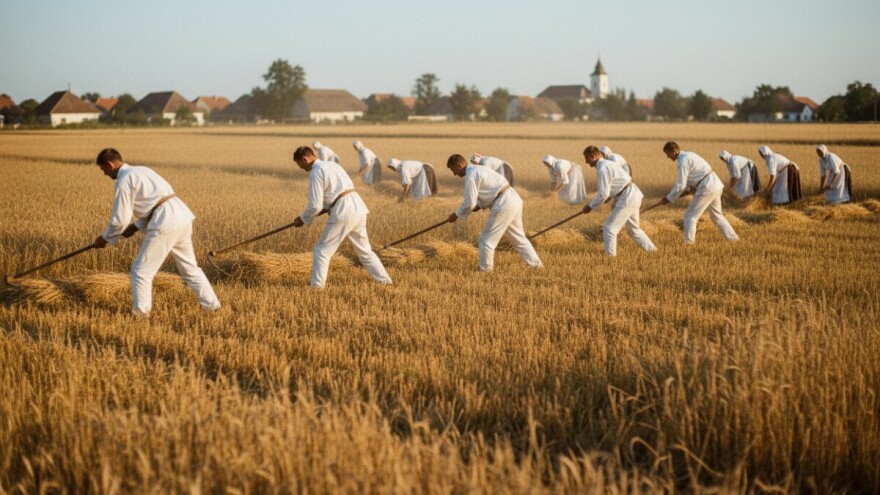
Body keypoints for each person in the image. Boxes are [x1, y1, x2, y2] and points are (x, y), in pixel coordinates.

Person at [93, 148, 221, 316]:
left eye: (103, 169)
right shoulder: (142, 170)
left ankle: (140, 315)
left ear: (109, 164)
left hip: (165, 222)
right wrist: (136, 226)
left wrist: (105, 238)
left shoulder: (124, 181)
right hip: (181, 216)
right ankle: (213, 306)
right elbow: (157, 201)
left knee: (140, 271)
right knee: (190, 268)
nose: (104, 174)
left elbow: (120, 220)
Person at [291, 146, 392, 289]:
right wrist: (325, 208)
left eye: (299, 164)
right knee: (365, 251)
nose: (301, 168)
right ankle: (386, 281)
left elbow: (315, 205)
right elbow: (334, 194)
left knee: (322, 251)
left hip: (343, 211)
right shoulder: (333, 165)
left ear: (305, 159)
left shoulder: (316, 172)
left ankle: (316, 288)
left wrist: (302, 219)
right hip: (357, 206)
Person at [446, 154, 542, 272]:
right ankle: (537, 266)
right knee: (518, 238)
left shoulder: (471, 175)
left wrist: (456, 215)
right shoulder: (479, 169)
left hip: (503, 203)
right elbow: (488, 191)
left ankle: (485, 271)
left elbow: (469, 203)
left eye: (453, 170)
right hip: (513, 198)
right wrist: (479, 205)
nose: (454, 174)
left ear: (458, 165)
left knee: (486, 240)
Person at [646, 142, 739, 244]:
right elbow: (686, 186)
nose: (668, 157)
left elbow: (680, 185)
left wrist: (668, 198)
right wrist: (673, 196)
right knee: (717, 216)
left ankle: (688, 244)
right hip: (715, 185)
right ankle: (734, 239)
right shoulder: (689, 155)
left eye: (668, 154)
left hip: (706, 187)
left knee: (690, 216)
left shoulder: (683, 161)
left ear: (674, 151)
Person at [582, 146, 656, 256]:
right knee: (633, 230)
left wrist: (590, 206)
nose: (586, 162)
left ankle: (610, 257)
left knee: (609, 228)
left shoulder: (602, 168)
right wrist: (609, 197)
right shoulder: (608, 164)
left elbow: (603, 193)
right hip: (633, 194)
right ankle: (652, 251)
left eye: (587, 158)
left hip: (627, 197)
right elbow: (616, 184)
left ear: (592, 156)